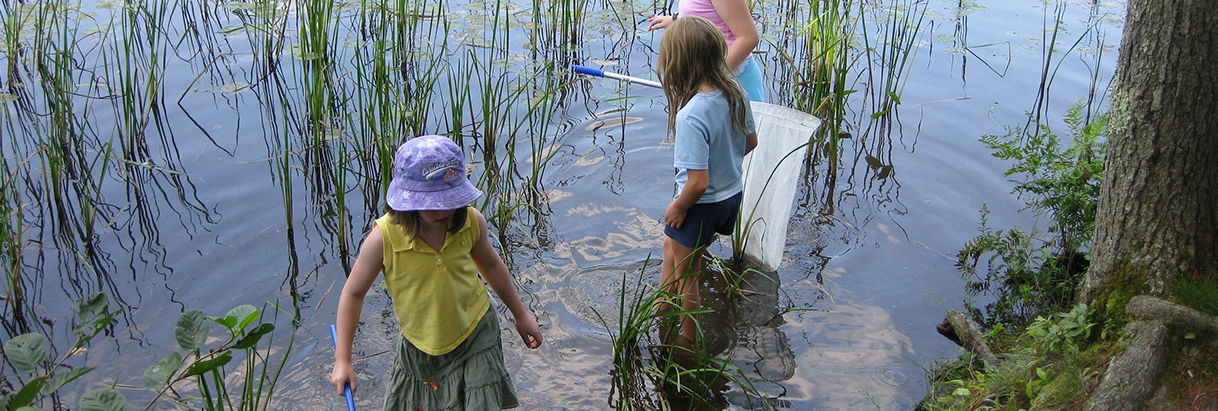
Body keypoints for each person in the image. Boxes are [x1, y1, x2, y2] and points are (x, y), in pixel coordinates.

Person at [330, 135, 543, 410]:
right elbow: (353, 293)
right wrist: (343, 359)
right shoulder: (383, 239)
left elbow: (491, 267)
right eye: (433, 203)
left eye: (450, 200)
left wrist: (521, 315)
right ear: (408, 199)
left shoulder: (469, 222)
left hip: (475, 333)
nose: (444, 210)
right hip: (420, 345)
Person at [654, 16, 758, 346]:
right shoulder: (736, 93)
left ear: (678, 64)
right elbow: (751, 142)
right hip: (730, 198)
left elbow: (697, 183)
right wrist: (723, 163)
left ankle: (687, 342)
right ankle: (659, 306)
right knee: (672, 244)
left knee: (689, 278)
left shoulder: (691, 115)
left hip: (700, 204)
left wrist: (677, 206)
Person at [647, 0, 765, 102]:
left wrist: (712, 80)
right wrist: (675, 19)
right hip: (705, 80)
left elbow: (748, 38)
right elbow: (704, 9)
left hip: (733, 81)